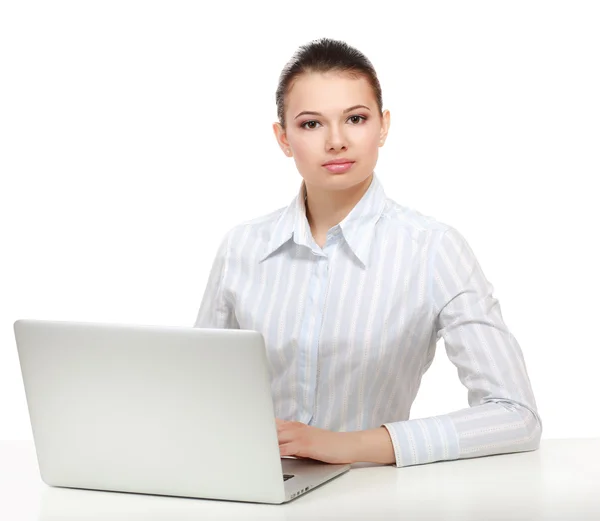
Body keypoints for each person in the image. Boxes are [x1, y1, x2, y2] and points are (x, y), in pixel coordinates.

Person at [194, 37, 542, 468]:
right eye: (311, 124)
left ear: (383, 125)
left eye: (355, 118)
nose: (336, 141)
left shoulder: (433, 249)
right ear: (283, 138)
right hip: (249, 488)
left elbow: (516, 415)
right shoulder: (242, 247)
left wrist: (348, 445)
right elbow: (198, 394)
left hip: (374, 495)